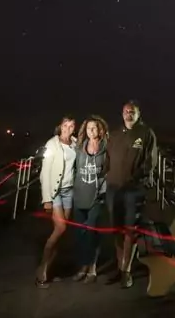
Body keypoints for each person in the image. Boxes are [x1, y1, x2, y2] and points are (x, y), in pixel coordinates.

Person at [104, 100, 157, 287]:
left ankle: (126, 271)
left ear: (139, 113)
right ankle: (120, 267)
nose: (129, 113)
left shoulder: (146, 133)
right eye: (126, 111)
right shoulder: (115, 135)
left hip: (133, 190)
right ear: (122, 113)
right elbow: (106, 159)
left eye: (132, 111)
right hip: (113, 188)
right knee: (116, 229)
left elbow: (150, 162)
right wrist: (104, 175)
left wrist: (135, 178)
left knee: (130, 230)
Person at [36, 115, 77, 287]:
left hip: (69, 191)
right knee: (61, 228)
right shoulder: (52, 144)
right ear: (60, 127)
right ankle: (42, 270)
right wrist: (47, 199)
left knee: (61, 233)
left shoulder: (75, 143)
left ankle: (51, 269)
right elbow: (45, 173)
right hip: (56, 192)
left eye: (71, 126)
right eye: (65, 125)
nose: (68, 128)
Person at [71, 115, 109, 283]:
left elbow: (110, 171)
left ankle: (92, 267)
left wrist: (104, 190)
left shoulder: (106, 148)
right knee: (80, 233)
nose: (91, 131)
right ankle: (83, 266)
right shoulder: (79, 148)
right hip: (80, 196)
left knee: (92, 231)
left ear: (100, 130)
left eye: (94, 128)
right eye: (88, 128)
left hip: (97, 196)